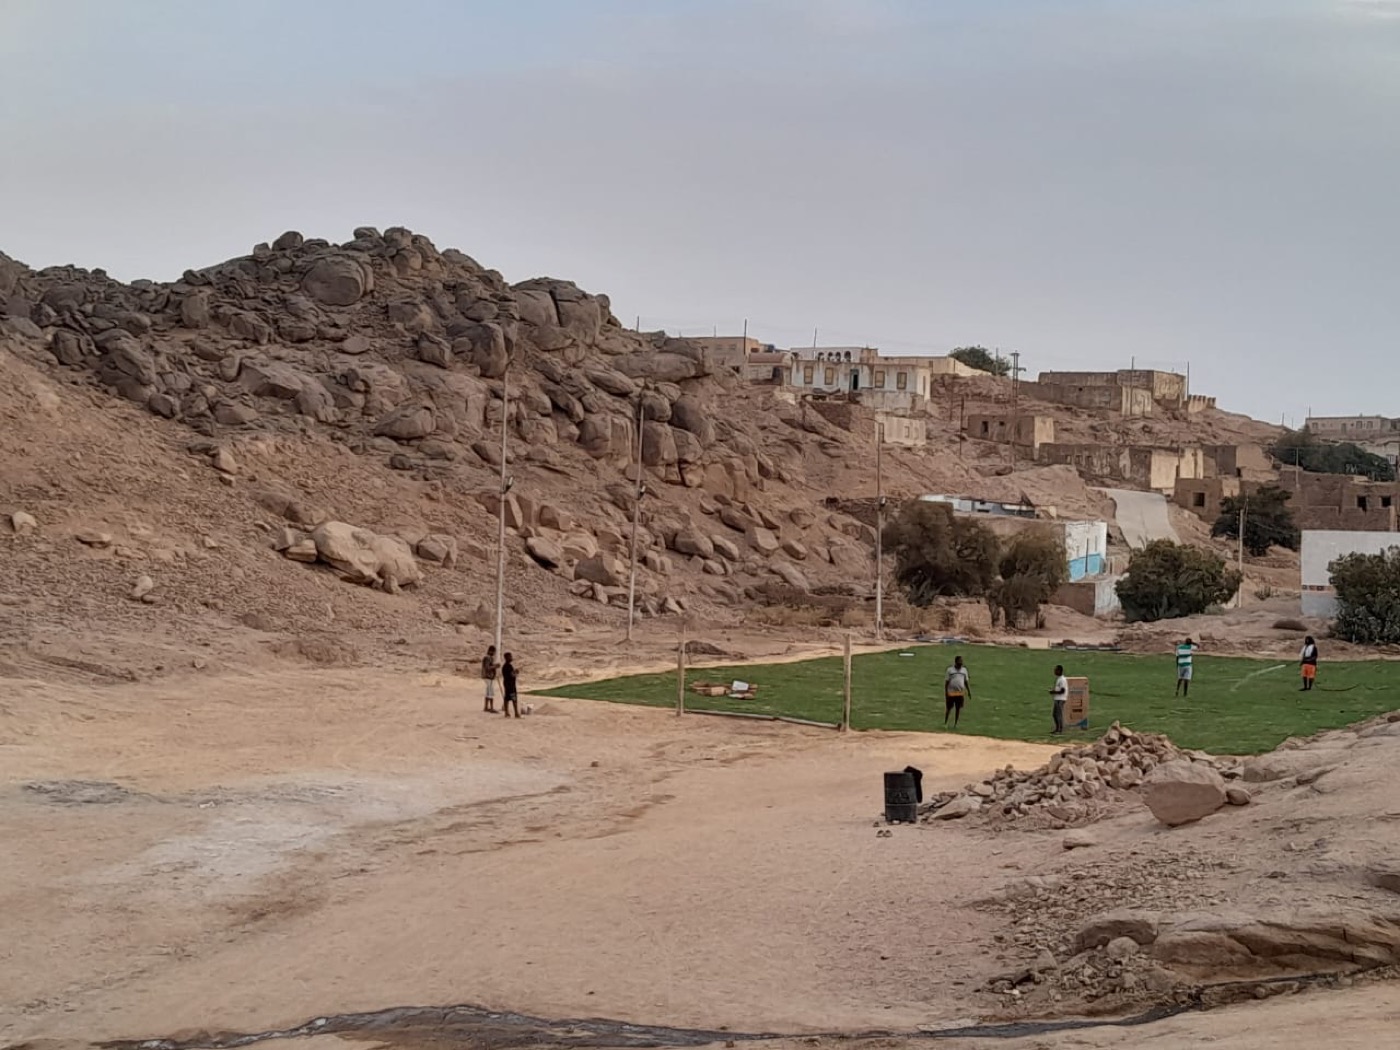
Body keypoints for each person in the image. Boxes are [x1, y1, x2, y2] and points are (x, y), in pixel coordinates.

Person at [944, 655, 971, 728]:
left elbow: (966, 681)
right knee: (949, 708)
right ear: (956, 662)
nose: (961, 663)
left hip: (960, 692)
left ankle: (955, 724)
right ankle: (945, 723)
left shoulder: (964, 670)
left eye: (961, 662)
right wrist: (946, 692)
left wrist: (968, 691)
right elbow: (946, 682)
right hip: (951, 692)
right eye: (959, 662)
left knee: (958, 708)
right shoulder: (950, 670)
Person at [480, 645, 501, 713]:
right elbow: (487, 668)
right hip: (488, 676)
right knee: (490, 692)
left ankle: (486, 707)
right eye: (493, 652)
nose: (494, 653)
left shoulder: (490, 658)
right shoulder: (487, 658)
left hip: (489, 677)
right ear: (490, 651)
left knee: (488, 692)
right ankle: (491, 707)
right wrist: (495, 666)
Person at [1050, 664, 1068, 735]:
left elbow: (1062, 691)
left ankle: (1060, 729)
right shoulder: (1059, 679)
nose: (1054, 671)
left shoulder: (1062, 679)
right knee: (1054, 714)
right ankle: (1057, 728)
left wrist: (1053, 692)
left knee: (1058, 714)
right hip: (1057, 698)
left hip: (1061, 699)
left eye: (1056, 670)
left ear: (1059, 670)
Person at [501, 651, 520, 718]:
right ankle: (516, 713)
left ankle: (506, 712)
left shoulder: (505, 666)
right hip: (510, 685)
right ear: (507, 658)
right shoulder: (508, 666)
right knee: (513, 698)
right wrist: (516, 672)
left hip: (507, 684)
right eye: (510, 656)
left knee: (507, 698)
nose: (511, 658)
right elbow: (511, 675)